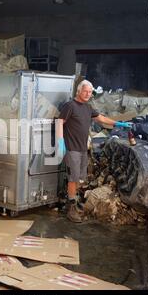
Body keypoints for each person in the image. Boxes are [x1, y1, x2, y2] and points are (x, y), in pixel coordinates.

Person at [57, 80, 132, 223]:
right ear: (78, 91)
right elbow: (60, 122)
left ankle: (73, 201)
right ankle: (71, 208)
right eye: (85, 91)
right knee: (73, 178)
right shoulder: (70, 106)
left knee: (80, 178)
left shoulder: (88, 107)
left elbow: (101, 119)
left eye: (90, 92)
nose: (87, 94)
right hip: (72, 148)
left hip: (83, 149)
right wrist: (60, 142)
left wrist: (118, 123)